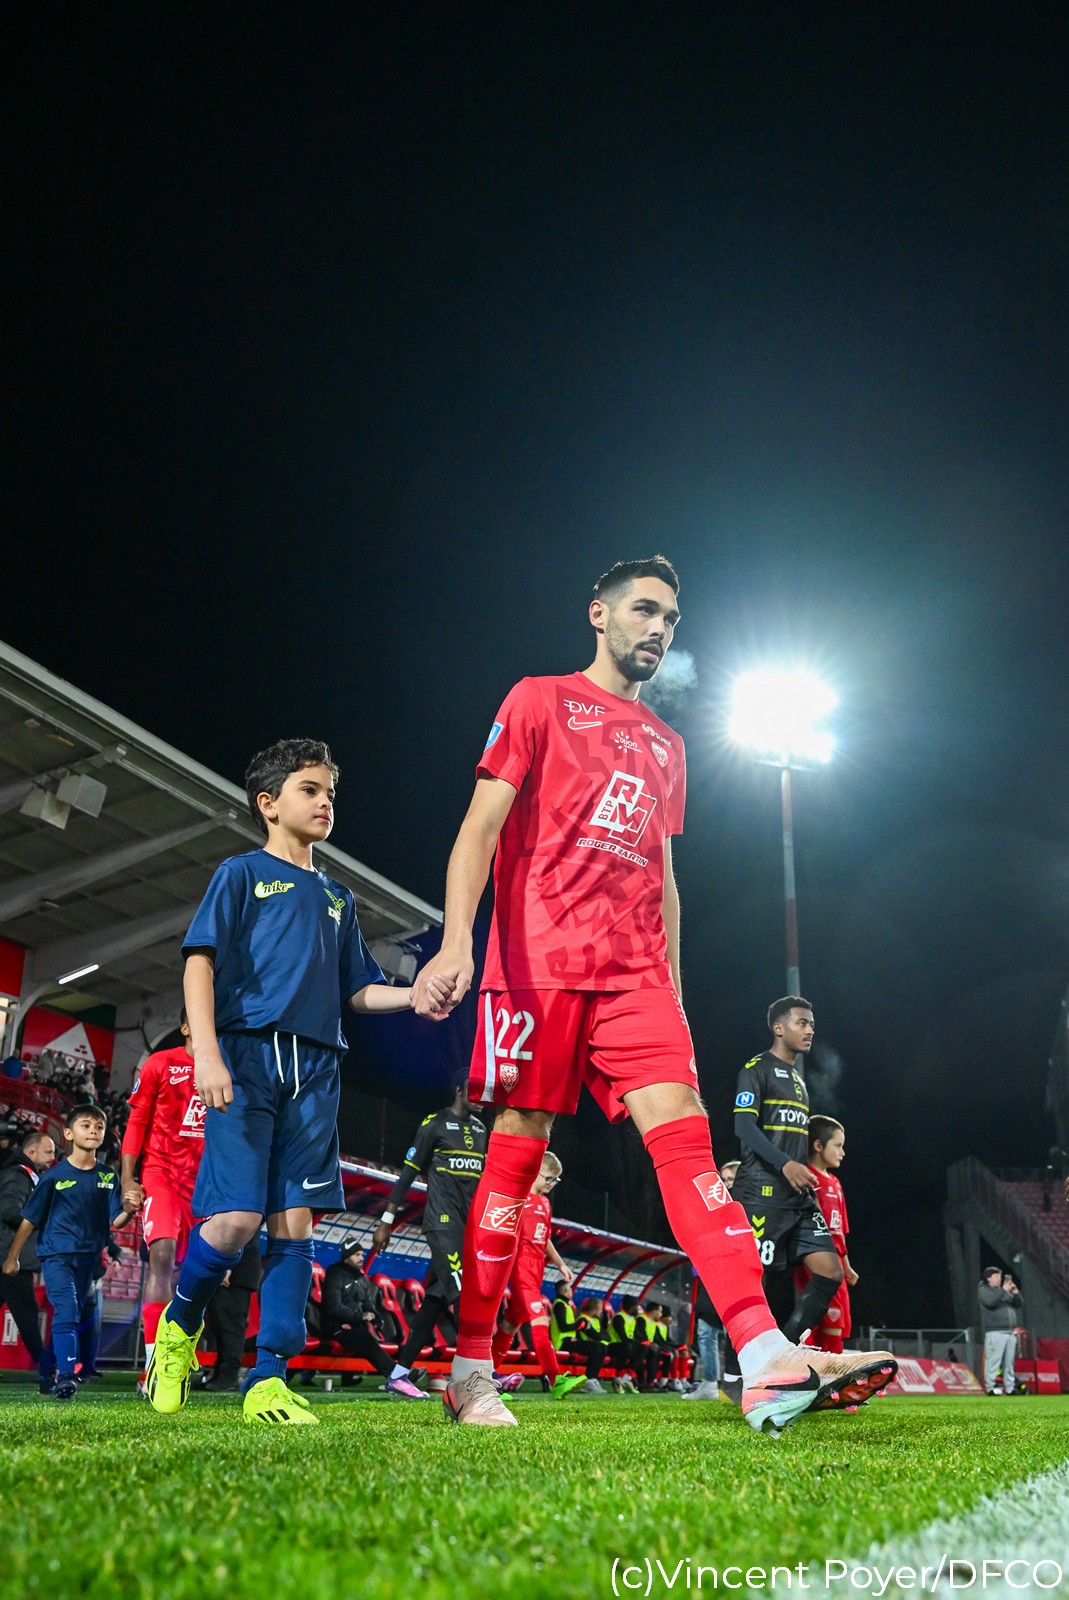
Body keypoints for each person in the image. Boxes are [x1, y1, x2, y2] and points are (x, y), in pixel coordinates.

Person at [412, 555, 895, 1431]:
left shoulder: (666, 745)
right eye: (643, 610)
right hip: (536, 965)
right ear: (598, 613)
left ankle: (763, 1357)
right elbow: (478, 829)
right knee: (515, 1158)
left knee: (688, 1146)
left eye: (670, 618)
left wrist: (670, 990)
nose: (659, 629)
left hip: (634, 977)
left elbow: (663, 878)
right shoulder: (538, 699)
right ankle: (471, 1368)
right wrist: (455, 942)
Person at [144, 738, 453, 1425]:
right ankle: (179, 1325)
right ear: (268, 803)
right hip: (246, 1061)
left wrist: (415, 995)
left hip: (315, 1071)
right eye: (309, 790)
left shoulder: (338, 897)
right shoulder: (242, 873)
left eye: (330, 793)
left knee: (294, 1224)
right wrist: (207, 1053)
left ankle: (268, 1381)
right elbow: (199, 961)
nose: (324, 803)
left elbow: (359, 989)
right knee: (235, 1223)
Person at [729, 998, 843, 1346]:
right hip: (761, 1191)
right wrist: (785, 1163)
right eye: (801, 1023)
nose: (809, 1030)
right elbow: (743, 1127)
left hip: (796, 1196)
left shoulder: (797, 1080)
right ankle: (739, 1366)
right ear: (778, 1028)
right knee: (756, 1283)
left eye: (812, 1025)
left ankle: (785, 1348)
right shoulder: (756, 1069)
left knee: (830, 1270)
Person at [2, 1104, 131, 1399]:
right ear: (70, 1133)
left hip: (88, 1259)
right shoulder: (54, 1176)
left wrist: (130, 1209)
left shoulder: (108, 1177)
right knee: (68, 1312)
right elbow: (29, 1218)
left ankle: (47, 1370)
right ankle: (67, 1376)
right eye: (86, 1125)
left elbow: (117, 1220)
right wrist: (13, 1257)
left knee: (70, 1317)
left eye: (99, 1127)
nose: (93, 1131)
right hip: (56, 1255)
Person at [371, 1084, 488, 1397]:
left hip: (469, 1227)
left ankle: (398, 1374)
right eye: (476, 1091)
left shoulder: (481, 1130)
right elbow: (408, 1173)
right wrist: (386, 1220)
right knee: (463, 1292)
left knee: (435, 1301)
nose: (482, 1098)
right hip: (442, 1223)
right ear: (459, 1090)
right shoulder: (434, 1124)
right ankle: (481, 1372)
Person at [120, 1009, 206, 1392]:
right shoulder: (160, 1063)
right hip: (162, 1174)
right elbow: (137, 1121)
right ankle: (154, 1367)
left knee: (192, 1274)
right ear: (186, 1026)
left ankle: (177, 1358)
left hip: (204, 1185)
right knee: (163, 1257)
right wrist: (128, 1178)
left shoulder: (227, 1069)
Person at [491, 1150, 585, 1399]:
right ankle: (556, 1380)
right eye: (548, 1178)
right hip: (521, 1266)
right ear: (534, 1173)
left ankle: (485, 1379)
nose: (551, 1184)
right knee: (540, 1321)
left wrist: (560, 1264)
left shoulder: (544, 1203)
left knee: (510, 1324)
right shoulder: (519, 1199)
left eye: (555, 1180)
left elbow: (545, 1239)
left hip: (536, 1269)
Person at [319, 1237, 419, 1392]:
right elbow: (333, 1307)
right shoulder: (335, 1275)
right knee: (364, 1338)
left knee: (364, 1336)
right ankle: (395, 1375)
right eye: (357, 1255)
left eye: (362, 1255)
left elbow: (369, 1304)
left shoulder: (361, 1278)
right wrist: (360, 1316)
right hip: (335, 1327)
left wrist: (376, 1317)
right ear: (347, 1257)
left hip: (354, 1327)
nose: (361, 1258)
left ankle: (391, 1375)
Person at [797, 1116, 858, 1354]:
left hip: (837, 1266)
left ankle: (832, 1372)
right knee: (816, 1326)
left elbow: (840, 1230)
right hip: (815, 1264)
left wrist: (847, 1266)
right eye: (838, 1145)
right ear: (818, 1146)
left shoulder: (836, 1184)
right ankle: (814, 1372)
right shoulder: (805, 1178)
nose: (842, 1152)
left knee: (837, 1329)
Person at [0, 1128, 56, 1369]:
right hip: (10, 1257)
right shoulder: (18, 1176)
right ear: (31, 1152)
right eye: (48, 1152)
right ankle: (47, 1370)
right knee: (27, 1315)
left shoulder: (25, 1176)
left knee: (27, 1314)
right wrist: (42, 1219)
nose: (53, 1157)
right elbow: (10, 1212)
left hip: (8, 1255)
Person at [194, 1237, 262, 1391]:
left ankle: (228, 1375)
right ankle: (219, 1373)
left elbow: (240, 1233)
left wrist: (228, 1265)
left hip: (236, 1271)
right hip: (228, 1266)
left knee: (230, 1327)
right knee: (219, 1325)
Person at [979, 1266, 1022, 1395]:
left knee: (1009, 1363)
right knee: (993, 1361)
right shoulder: (983, 1290)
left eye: (1000, 1276)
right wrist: (1004, 1290)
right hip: (995, 1331)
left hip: (1010, 1331)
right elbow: (990, 1302)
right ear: (989, 1278)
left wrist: (1016, 1293)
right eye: (996, 1276)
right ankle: (990, 1388)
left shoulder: (1002, 1291)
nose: (999, 1279)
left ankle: (1010, 1388)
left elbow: (1018, 1304)